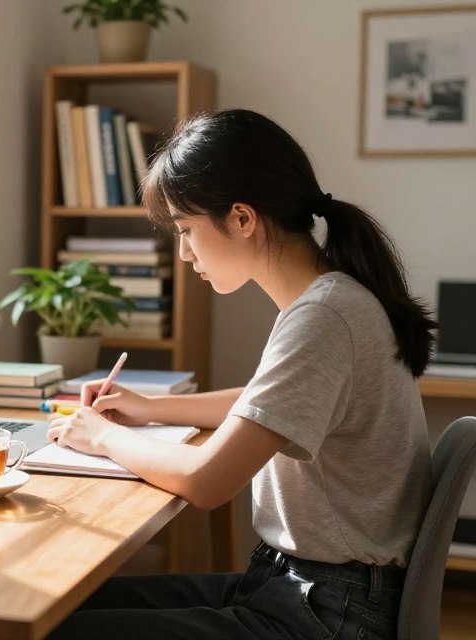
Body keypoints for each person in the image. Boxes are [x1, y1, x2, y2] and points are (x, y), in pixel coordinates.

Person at [47, 108, 436, 640]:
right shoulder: (331, 298)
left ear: (242, 218)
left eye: (186, 230)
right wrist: (150, 409)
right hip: (309, 588)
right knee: (56, 610)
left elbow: (206, 481)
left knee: (57, 628)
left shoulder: (324, 316)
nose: (183, 253)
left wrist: (103, 435)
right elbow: (266, 404)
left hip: (327, 612)